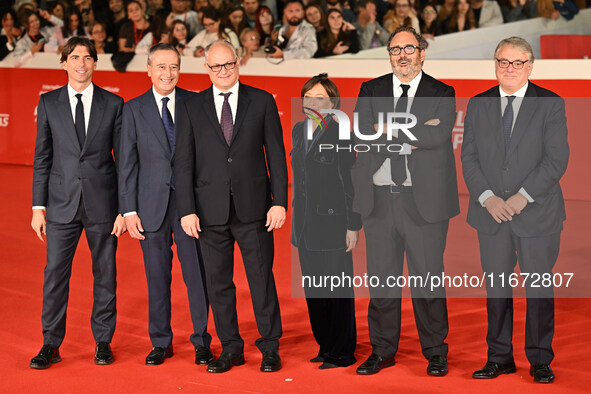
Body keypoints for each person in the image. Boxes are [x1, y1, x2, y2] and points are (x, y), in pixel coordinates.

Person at [174, 40, 287, 374]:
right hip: (209, 213)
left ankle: (269, 346)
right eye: (216, 66)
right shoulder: (192, 107)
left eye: (229, 64)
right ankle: (231, 348)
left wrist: (279, 201)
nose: (223, 72)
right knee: (218, 283)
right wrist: (186, 209)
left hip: (255, 210)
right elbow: (183, 162)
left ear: (238, 63)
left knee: (261, 280)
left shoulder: (262, 101)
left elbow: (276, 157)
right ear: (206, 70)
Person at [352, 26, 459, 377]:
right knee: (381, 280)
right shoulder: (371, 89)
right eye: (395, 49)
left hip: (423, 202)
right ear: (389, 54)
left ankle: (435, 351)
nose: (403, 55)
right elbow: (364, 136)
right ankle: (382, 350)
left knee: (428, 278)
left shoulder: (441, 92)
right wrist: (413, 132)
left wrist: (389, 129)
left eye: (409, 48)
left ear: (422, 53)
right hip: (379, 201)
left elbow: (438, 134)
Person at [462, 36, 569, 384]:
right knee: (496, 288)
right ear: (495, 64)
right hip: (490, 214)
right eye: (503, 61)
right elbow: (469, 158)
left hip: (537, 214)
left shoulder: (551, 104)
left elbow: (556, 160)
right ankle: (499, 357)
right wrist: (487, 198)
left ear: (530, 66)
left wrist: (522, 196)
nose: (509, 68)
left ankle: (539, 359)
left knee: (538, 287)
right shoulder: (478, 104)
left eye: (517, 62)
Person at [29, 37, 126, 369]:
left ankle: (102, 341)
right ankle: (51, 343)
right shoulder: (49, 103)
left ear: (96, 63)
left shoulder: (114, 104)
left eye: (87, 57)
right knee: (55, 274)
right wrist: (37, 208)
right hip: (60, 205)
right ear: (63, 63)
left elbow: (124, 161)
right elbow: (42, 158)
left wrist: (124, 209)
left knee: (105, 274)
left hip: (104, 204)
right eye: (74, 57)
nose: (81, 63)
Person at [118, 43, 212, 366]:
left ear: (180, 69)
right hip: (150, 207)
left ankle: (201, 340)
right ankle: (160, 342)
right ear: (148, 69)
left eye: (173, 67)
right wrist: (128, 210)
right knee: (156, 277)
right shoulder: (132, 109)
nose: (167, 73)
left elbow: (205, 157)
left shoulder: (196, 103)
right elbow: (126, 164)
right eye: (160, 67)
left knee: (196, 275)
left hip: (189, 207)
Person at [291, 74, 361, 369]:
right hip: (305, 224)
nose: (311, 102)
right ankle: (325, 345)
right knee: (315, 291)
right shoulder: (298, 130)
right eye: (307, 97)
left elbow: (351, 180)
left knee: (337, 290)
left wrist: (353, 225)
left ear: (333, 102)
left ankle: (342, 351)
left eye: (318, 98)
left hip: (334, 223)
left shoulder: (342, 131)